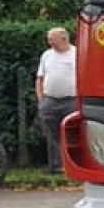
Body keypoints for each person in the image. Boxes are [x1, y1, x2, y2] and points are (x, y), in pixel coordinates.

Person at [36, 26, 78, 172]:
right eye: (49, 40)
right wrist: (41, 99)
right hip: (50, 100)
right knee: (51, 133)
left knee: (72, 132)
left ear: (63, 38)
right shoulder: (46, 55)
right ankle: (56, 165)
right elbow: (40, 78)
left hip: (72, 100)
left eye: (52, 39)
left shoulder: (77, 53)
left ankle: (74, 164)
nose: (49, 42)